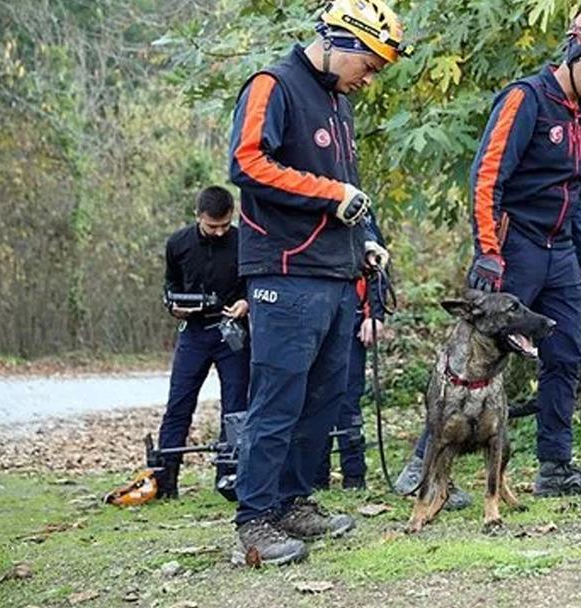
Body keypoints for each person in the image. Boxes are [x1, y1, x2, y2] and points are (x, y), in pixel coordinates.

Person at [395, 6, 581, 498]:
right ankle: (421, 467)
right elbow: (486, 177)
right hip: (514, 246)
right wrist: (488, 251)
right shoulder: (525, 99)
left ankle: (555, 467)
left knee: (565, 354)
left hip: (561, 247)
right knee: (475, 360)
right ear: (573, 53)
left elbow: (579, 189)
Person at [227, 0, 406, 566]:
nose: (370, 78)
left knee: (322, 399)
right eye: (370, 65)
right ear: (339, 42)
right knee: (277, 398)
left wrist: (366, 238)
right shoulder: (271, 85)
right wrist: (335, 198)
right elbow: (248, 163)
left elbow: (345, 184)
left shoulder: (337, 103)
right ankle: (254, 519)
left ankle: (294, 501)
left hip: (335, 269)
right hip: (284, 271)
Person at [156, 185, 249, 500]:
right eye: (213, 226)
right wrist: (174, 306)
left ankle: (230, 477)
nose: (220, 232)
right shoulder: (178, 244)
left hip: (231, 332)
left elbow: (256, 283)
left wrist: (246, 303)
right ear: (198, 217)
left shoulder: (243, 242)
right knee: (179, 404)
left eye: (225, 225)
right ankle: (164, 478)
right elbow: (170, 285)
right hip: (193, 332)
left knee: (236, 407)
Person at [314, 211, 391, 491]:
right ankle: (315, 476)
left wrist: (375, 315)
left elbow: (377, 266)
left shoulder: (359, 210)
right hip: (315, 312)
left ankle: (354, 475)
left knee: (348, 399)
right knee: (315, 397)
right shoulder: (306, 204)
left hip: (354, 316)